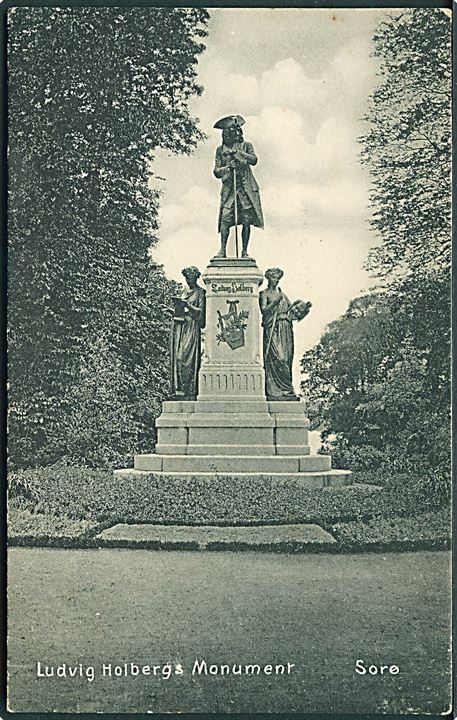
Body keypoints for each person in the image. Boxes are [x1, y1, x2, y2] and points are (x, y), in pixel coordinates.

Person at [213, 115, 264, 258]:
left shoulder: (246, 145)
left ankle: (244, 252)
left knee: (246, 220)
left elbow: (254, 160)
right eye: (228, 132)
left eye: (235, 131)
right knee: (225, 218)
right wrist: (228, 168)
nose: (232, 134)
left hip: (245, 190)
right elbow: (216, 171)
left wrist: (239, 154)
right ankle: (222, 250)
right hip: (230, 190)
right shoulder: (220, 150)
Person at [259, 268, 311, 400]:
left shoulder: (282, 294)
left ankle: (286, 390)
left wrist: (303, 307)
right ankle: (274, 390)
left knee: (286, 359)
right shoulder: (264, 294)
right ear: (268, 278)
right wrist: (275, 303)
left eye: (277, 278)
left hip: (286, 329)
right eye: (273, 278)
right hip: (273, 329)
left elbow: (291, 309)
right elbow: (264, 311)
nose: (275, 281)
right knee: (278, 358)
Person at [169, 266, 206, 400]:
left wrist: (187, 305)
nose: (189, 281)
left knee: (183, 357)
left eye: (191, 278)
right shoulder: (184, 291)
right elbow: (180, 308)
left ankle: (190, 390)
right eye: (187, 278)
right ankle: (180, 390)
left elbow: (201, 312)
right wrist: (172, 310)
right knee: (177, 358)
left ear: (196, 277)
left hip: (191, 326)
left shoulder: (201, 292)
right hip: (180, 325)